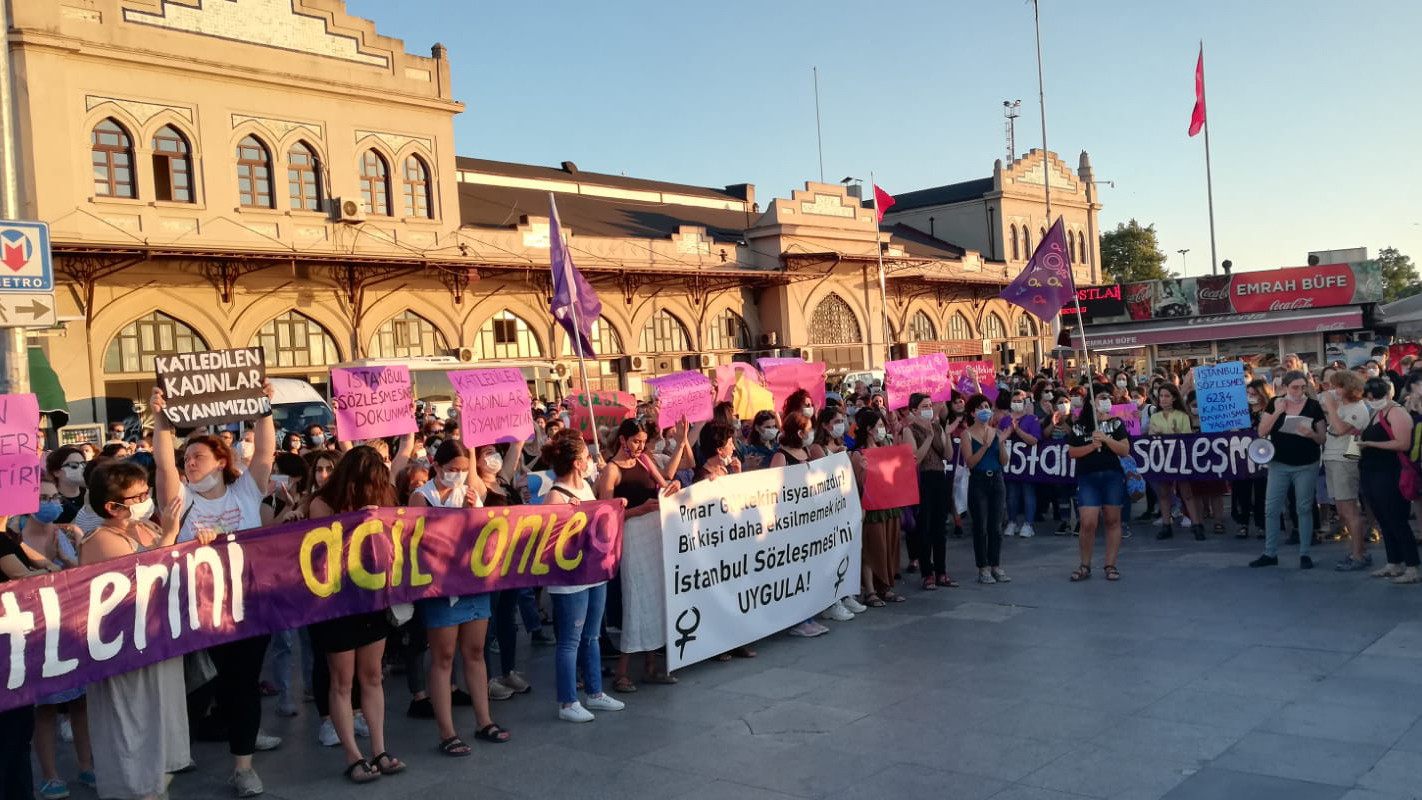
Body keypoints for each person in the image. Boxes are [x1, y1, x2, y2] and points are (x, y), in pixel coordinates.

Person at [152, 383, 279, 797]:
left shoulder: (246, 490)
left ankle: (243, 766)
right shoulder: (182, 499)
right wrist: (161, 418)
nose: (190, 463)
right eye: (187, 457)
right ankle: (195, 744)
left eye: (198, 456)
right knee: (209, 683)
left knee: (243, 682)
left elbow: (265, 453)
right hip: (201, 610)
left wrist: (263, 408)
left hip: (250, 605)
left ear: (222, 461)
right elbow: (163, 464)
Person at [81, 461, 193, 800]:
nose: (146, 500)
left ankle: (156, 785)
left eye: (147, 493)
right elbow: (144, 578)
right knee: (133, 723)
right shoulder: (101, 539)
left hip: (158, 640)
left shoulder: (147, 527)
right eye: (138, 497)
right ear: (112, 506)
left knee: (160, 721)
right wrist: (170, 535)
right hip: (125, 650)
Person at [306, 447, 404, 783]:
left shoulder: (382, 499)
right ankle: (353, 755)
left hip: (370, 598)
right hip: (335, 605)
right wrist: (357, 520)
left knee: (372, 676)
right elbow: (326, 550)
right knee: (342, 680)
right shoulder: (321, 503)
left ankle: (379, 749)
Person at [408, 440, 509, 757]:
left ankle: (484, 720)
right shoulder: (421, 496)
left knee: (475, 652)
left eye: (464, 470)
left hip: (472, 582)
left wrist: (472, 512)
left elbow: (484, 536)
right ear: (436, 466)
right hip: (440, 588)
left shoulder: (471, 493)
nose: (458, 475)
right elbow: (417, 542)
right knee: (444, 657)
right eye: (452, 469)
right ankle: (447, 732)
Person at [540, 432, 629, 721]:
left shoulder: (587, 488)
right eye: (587, 457)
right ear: (577, 462)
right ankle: (568, 702)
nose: (591, 461)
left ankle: (595, 692)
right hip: (569, 581)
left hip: (593, 573)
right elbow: (546, 539)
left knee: (591, 636)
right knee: (570, 641)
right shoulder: (555, 495)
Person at [24, 480, 94, 800]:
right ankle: (50, 775)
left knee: (79, 701)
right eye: (43, 497)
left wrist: (67, 553)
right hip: (34, 632)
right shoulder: (14, 539)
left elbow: (78, 572)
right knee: (46, 707)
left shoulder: (60, 535)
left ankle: (86, 765)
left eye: (54, 497)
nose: (51, 503)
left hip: (67, 624)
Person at [598, 419, 681, 690]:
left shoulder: (645, 460)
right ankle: (623, 671)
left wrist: (674, 487)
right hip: (631, 536)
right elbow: (605, 514)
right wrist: (639, 510)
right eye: (635, 441)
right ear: (622, 439)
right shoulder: (611, 470)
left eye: (643, 442)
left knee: (655, 597)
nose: (640, 447)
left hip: (653, 533)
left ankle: (650, 666)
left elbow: (664, 486)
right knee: (635, 599)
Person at [1250, 370, 1327, 569]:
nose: (1299, 391)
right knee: (1271, 508)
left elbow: (1322, 438)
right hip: (1279, 463)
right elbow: (1261, 431)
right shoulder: (1274, 403)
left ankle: (1305, 553)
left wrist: (1311, 434)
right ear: (1285, 387)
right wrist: (1278, 411)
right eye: (1295, 388)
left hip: (1306, 464)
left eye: (1303, 387)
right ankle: (1270, 553)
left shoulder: (1313, 405)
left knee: (1304, 507)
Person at [1356, 378, 1421, 584]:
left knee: (1396, 519)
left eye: (1376, 396)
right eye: (1369, 397)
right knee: (1384, 519)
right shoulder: (1376, 412)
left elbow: (1403, 444)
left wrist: (1370, 444)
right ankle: (1394, 562)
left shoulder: (1396, 412)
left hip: (1390, 471)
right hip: (1372, 470)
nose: (1373, 400)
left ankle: (1412, 566)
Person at [1068, 387, 1130, 582]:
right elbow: (1072, 452)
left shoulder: (1116, 423)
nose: (1106, 400)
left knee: (1113, 520)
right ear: (1092, 402)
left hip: (1112, 476)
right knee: (1088, 522)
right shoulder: (1079, 427)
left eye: (1108, 397)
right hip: (1088, 477)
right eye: (1102, 397)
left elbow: (1124, 450)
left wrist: (1106, 439)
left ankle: (1110, 564)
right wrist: (1092, 446)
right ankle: (1085, 564)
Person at [849, 408, 906, 605]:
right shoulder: (858, 454)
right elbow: (858, 485)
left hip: (888, 505)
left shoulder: (885, 448)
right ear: (869, 429)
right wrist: (865, 471)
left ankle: (885, 586)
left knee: (888, 546)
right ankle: (870, 590)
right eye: (880, 425)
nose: (883, 429)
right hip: (871, 507)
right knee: (872, 548)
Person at [1321, 370, 1372, 571]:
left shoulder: (1358, 408)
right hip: (1333, 458)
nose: (1333, 390)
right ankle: (1356, 551)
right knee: (1342, 509)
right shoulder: (1344, 406)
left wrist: (1331, 406)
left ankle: (1359, 554)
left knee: (1350, 509)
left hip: (1345, 460)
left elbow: (1341, 429)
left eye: (1337, 386)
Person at [958, 394, 1008, 584]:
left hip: (996, 479)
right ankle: (983, 567)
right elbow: (970, 462)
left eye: (987, 407)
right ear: (972, 413)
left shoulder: (996, 432)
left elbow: (1004, 461)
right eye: (980, 407)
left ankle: (996, 565)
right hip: (978, 481)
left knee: (996, 526)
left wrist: (1000, 443)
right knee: (981, 526)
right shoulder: (967, 434)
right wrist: (985, 446)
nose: (985, 410)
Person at [1148, 384, 1196, 540]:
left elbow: (1187, 437)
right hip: (1163, 459)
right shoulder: (1155, 417)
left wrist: (1175, 434)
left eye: (1167, 396)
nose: (1163, 399)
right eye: (1161, 396)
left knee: (1186, 492)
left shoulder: (1182, 416)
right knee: (1163, 493)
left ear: (1174, 398)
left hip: (1180, 458)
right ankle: (1166, 525)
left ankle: (1196, 524)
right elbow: (1152, 437)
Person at [1231, 380, 1272, 540]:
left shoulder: (1269, 411)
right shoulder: (1241, 412)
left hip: (1264, 457)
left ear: (1262, 394)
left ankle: (1262, 525)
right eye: (1247, 393)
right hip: (1243, 456)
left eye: (1254, 394)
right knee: (1242, 491)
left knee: (1261, 492)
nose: (1250, 397)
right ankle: (1243, 523)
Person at [1001, 389, 1041, 538]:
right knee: (1011, 494)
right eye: (1014, 401)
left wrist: (1017, 430)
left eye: (1020, 401)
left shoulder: (1032, 419)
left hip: (1027, 464)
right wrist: (1008, 432)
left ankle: (1028, 524)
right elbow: (999, 439)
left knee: (1028, 492)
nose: (1017, 403)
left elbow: (1034, 440)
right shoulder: (1004, 420)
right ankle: (1012, 522)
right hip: (1010, 463)